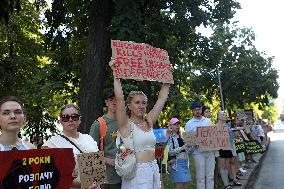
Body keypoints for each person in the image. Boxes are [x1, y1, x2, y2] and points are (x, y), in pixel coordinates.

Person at [113, 76, 170, 189]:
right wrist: (116, 77)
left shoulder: (149, 120)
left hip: (153, 167)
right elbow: (119, 100)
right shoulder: (126, 125)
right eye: (137, 102)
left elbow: (161, 99)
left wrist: (167, 80)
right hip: (136, 172)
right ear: (129, 105)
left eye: (144, 103)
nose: (141, 106)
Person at [43, 104, 100, 189]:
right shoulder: (51, 144)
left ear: (80, 119)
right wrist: (83, 185)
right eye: (66, 117)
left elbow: (98, 168)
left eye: (74, 117)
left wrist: (97, 184)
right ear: (61, 121)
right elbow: (50, 175)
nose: (70, 120)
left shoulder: (89, 138)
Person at [89, 90, 122, 189]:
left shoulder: (126, 122)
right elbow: (90, 154)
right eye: (111, 100)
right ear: (106, 103)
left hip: (127, 177)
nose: (114, 102)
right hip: (107, 179)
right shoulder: (99, 124)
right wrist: (109, 161)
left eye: (117, 100)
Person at [185, 101, 215, 189]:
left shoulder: (208, 121)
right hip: (198, 153)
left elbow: (214, 135)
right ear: (192, 111)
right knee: (200, 178)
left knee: (210, 176)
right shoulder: (189, 124)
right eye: (195, 110)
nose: (197, 111)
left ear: (201, 109)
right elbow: (189, 140)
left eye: (199, 109)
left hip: (210, 152)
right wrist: (195, 142)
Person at [216, 111, 241, 189]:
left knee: (226, 166)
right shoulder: (215, 126)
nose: (224, 116)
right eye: (222, 114)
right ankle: (226, 184)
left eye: (225, 114)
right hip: (220, 148)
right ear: (218, 117)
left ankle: (227, 183)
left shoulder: (227, 126)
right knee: (222, 166)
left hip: (228, 147)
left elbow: (231, 138)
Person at [167, 117, 192, 189]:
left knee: (184, 185)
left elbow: (189, 151)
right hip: (176, 163)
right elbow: (170, 151)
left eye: (178, 124)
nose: (177, 126)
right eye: (175, 124)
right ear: (170, 126)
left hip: (185, 162)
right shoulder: (169, 138)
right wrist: (182, 148)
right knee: (179, 185)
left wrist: (193, 146)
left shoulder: (182, 136)